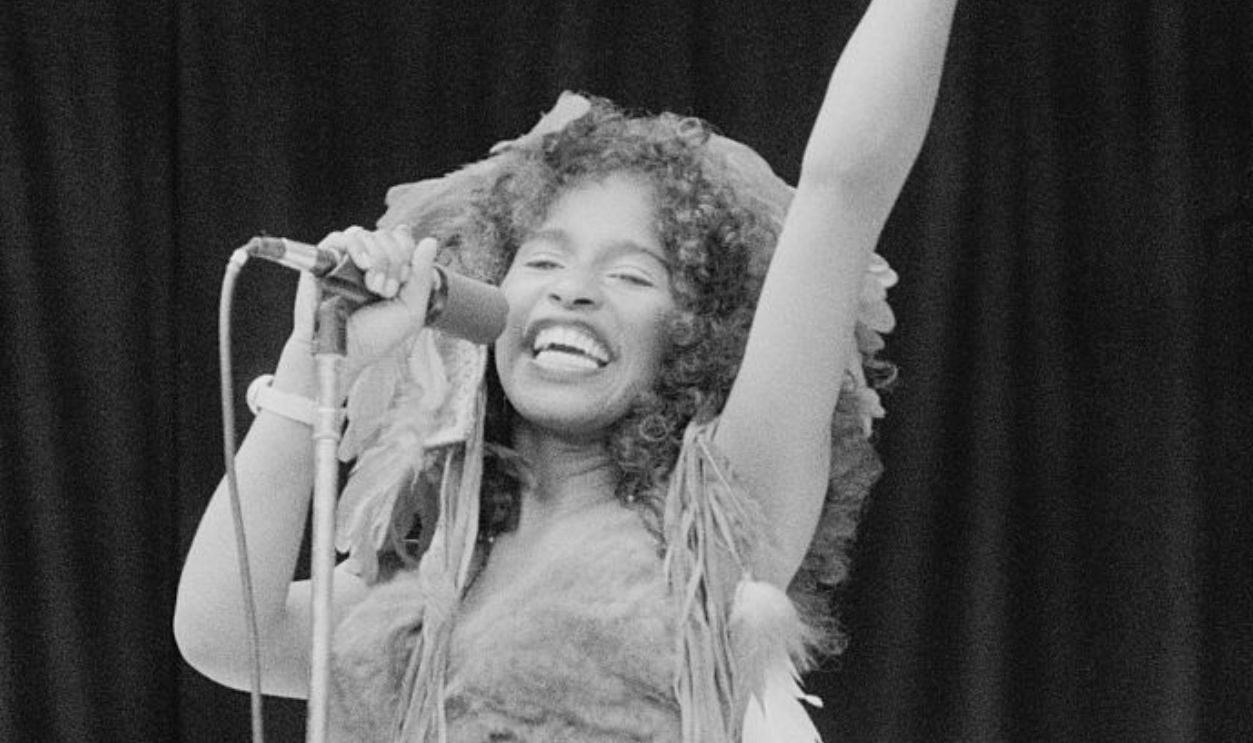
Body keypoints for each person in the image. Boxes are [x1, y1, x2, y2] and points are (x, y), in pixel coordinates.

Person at [174, 1, 958, 740]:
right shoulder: (432, 583)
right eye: (542, 258)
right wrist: (309, 374)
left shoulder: (717, 523)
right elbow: (221, 634)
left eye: (632, 275)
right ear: (485, 297)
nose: (572, 287)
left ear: (694, 339)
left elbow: (843, 187)